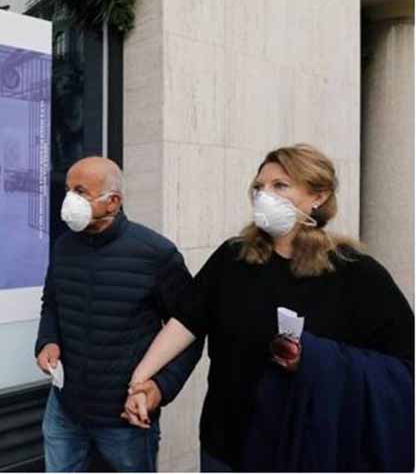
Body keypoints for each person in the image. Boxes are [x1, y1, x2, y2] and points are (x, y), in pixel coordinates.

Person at [123, 144, 414, 471]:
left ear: (318, 197)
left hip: (305, 448)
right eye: (259, 187)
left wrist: (314, 358)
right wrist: (140, 381)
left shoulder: (357, 272)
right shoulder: (233, 258)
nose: (265, 196)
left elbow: (404, 364)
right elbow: (186, 321)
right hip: (227, 443)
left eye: (280, 186)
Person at [36, 156, 204, 472]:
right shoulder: (63, 246)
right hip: (65, 409)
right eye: (68, 190)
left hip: (124, 419)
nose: (69, 200)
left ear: (112, 202)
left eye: (80, 192)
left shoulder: (156, 254)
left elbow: (190, 331)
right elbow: (52, 304)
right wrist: (47, 341)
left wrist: (159, 388)